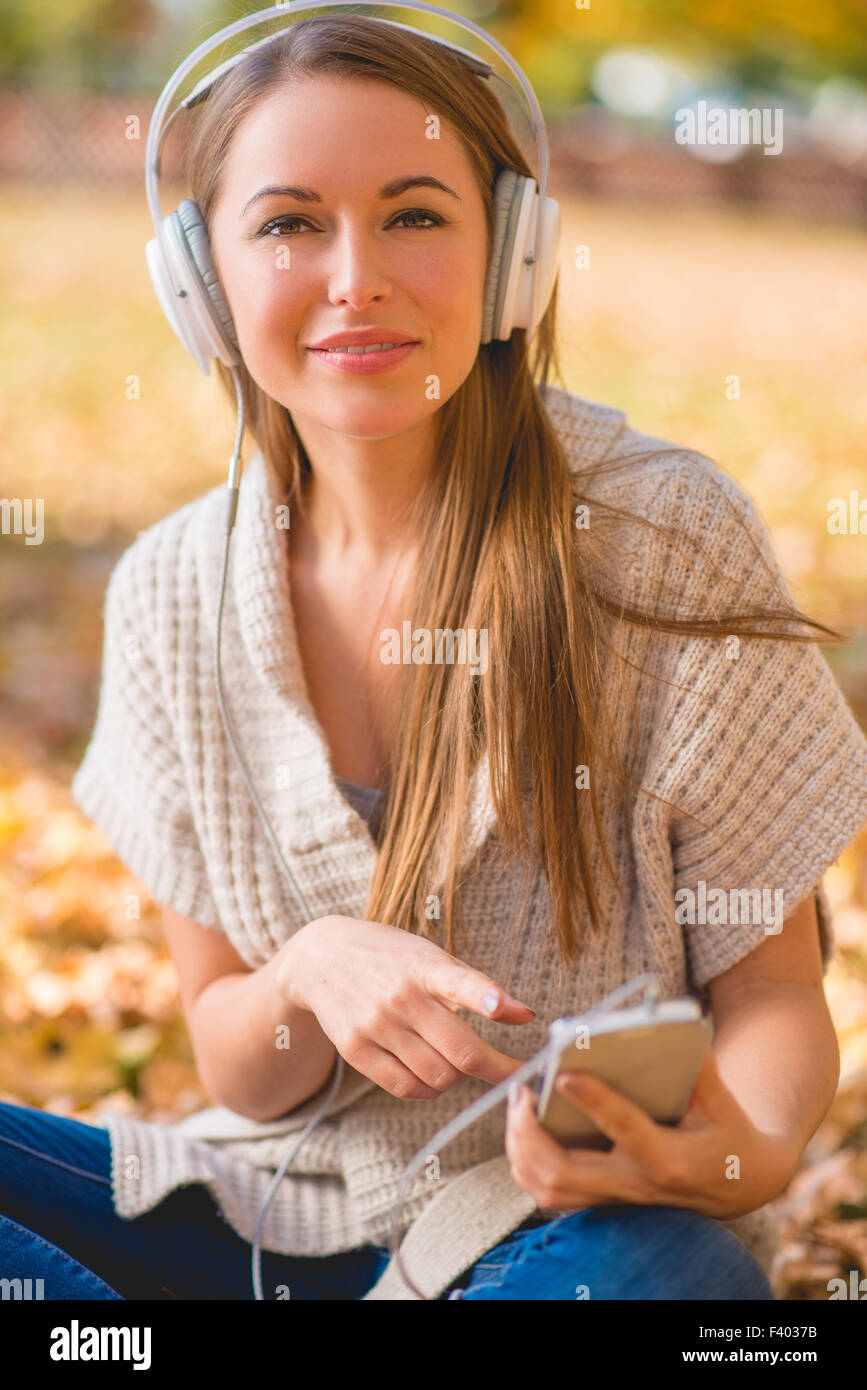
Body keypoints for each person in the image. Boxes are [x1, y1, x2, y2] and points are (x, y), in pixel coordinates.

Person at [2, 14, 866, 1302]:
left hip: (560, 1235)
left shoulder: (661, 538)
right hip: (254, 1220)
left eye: (414, 215)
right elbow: (241, 1062)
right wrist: (305, 969)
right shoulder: (169, 596)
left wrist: (720, 1160)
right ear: (203, 284)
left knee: (661, 1282)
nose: (356, 277)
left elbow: (775, 1001)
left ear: (513, 254)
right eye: (290, 224)